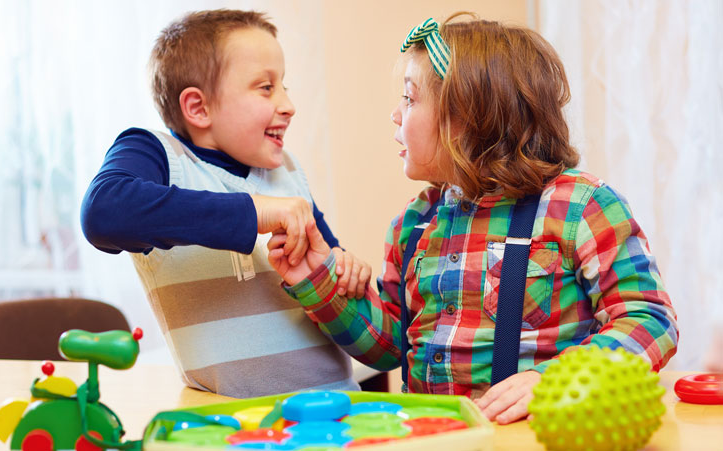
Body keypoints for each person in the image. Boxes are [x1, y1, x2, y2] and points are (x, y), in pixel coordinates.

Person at [267, 12, 678, 423]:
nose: (395, 114)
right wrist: (315, 279)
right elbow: (390, 344)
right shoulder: (413, 224)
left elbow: (649, 319)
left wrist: (558, 379)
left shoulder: (580, 206)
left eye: (410, 99)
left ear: (466, 117)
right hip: (439, 435)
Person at [80, 9, 371, 397]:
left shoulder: (288, 172)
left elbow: (334, 282)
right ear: (198, 108)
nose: (288, 105)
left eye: (284, 85)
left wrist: (347, 271)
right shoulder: (156, 155)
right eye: (265, 88)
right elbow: (104, 211)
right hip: (230, 426)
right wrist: (253, 211)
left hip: (337, 408)